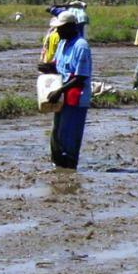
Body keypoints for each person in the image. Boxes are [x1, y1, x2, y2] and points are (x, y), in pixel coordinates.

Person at [46, 10, 93, 169]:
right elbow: (58, 66)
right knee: (57, 134)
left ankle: (69, 167)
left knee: (70, 135)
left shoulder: (81, 46)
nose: (57, 31)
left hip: (75, 98)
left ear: (71, 27)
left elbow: (80, 77)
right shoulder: (62, 43)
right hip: (61, 97)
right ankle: (58, 166)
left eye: (60, 28)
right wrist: (47, 67)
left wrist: (59, 91)